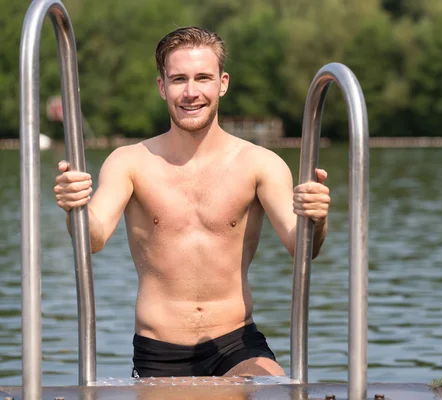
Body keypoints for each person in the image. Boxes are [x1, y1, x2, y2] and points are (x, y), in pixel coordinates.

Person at [53, 26, 330, 378]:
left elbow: (302, 247)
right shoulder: (129, 162)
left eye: (203, 78)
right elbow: (92, 239)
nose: (191, 92)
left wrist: (316, 219)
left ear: (222, 83)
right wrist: (74, 207)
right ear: (161, 86)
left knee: (278, 392)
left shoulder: (260, 163)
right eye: (179, 79)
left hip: (236, 344)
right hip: (159, 352)